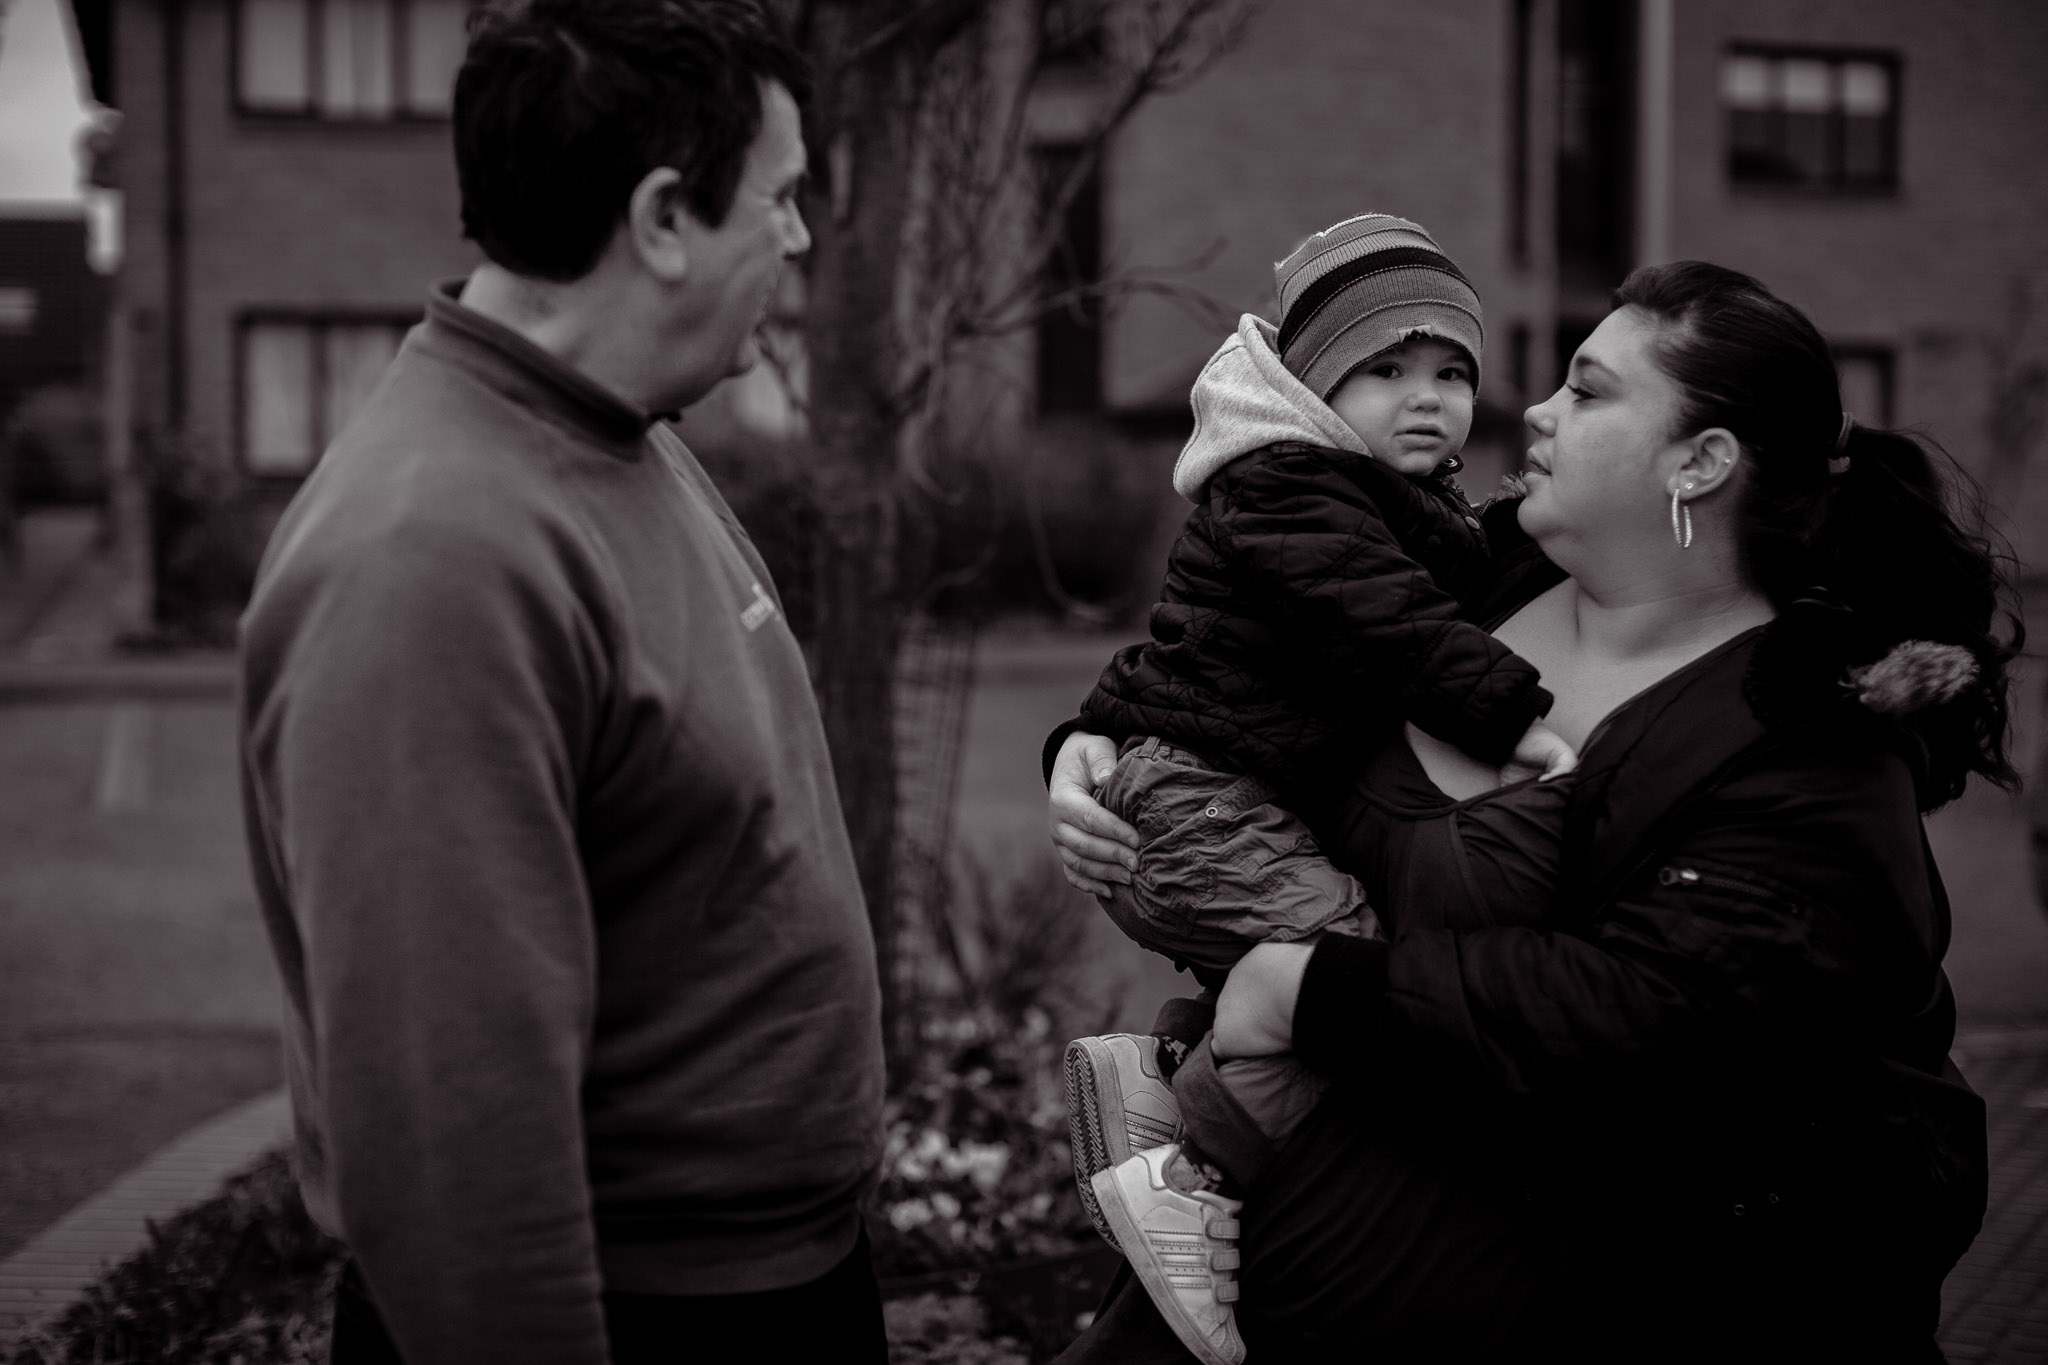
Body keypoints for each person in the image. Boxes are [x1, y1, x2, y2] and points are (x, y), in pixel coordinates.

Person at [1048, 260, 2008, 1362]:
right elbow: (1239, 660)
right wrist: (1086, 745)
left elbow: (1668, 1019)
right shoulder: (1476, 578)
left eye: (1587, 392)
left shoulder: (1806, 731)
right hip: (1248, 1277)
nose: (1536, 410)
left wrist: (1307, 990)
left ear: (1698, 462)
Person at [237, 5, 887, 1363]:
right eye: (778, 195)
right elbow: (448, 1133)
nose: (797, 236)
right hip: (647, 1317)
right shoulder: (431, 561)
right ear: (663, 219)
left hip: (759, 1287)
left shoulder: (616, 431)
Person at [1057, 213, 1574, 1363]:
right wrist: (1516, 720)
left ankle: (1166, 1079)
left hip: (1211, 797)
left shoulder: (1370, 496)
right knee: (1344, 976)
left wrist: (1547, 524)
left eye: (1450, 373)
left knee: (1331, 987)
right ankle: (1186, 1181)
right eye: (1384, 370)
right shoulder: (1292, 484)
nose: (1426, 397)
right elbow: (1392, 619)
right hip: (1202, 810)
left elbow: (1431, 579)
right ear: (1310, 384)